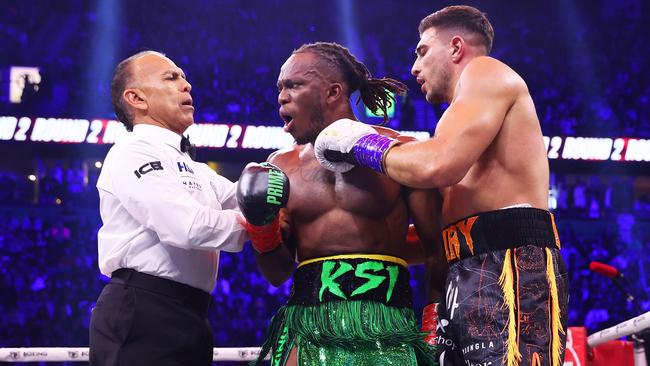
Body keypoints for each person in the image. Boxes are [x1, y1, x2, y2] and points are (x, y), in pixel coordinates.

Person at [314, 6, 569, 366]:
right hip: (467, 267)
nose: (413, 68)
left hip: (509, 263)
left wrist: (360, 144)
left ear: (456, 47)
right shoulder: (456, 119)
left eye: (421, 51)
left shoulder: (486, 72)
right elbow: (442, 233)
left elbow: (437, 164)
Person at [236, 42, 443, 366]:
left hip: (387, 328)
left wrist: (434, 328)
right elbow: (277, 273)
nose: (281, 96)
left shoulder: (401, 153)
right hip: (306, 328)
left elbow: (437, 251)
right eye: (280, 87)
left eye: (293, 85)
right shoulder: (280, 166)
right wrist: (262, 228)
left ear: (333, 92)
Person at [89, 50, 248, 366]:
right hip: (143, 311)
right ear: (136, 98)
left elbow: (245, 198)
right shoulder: (131, 152)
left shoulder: (191, 167)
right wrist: (261, 224)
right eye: (171, 78)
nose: (186, 85)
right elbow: (186, 227)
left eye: (185, 78)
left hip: (188, 314)